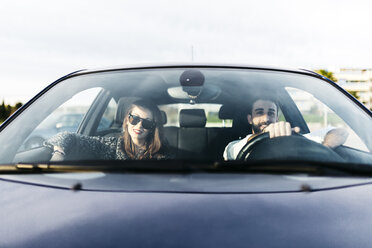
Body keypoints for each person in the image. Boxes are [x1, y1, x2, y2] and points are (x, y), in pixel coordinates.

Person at [223, 95, 349, 160]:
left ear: (277, 119)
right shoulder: (235, 146)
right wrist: (264, 135)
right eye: (260, 112)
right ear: (250, 119)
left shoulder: (295, 138)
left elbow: (340, 132)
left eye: (271, 113)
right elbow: (230, 152)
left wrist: (323, 150)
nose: (266, 119)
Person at [46, 99, 170, 161]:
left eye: (147, 122)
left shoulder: (164, 154)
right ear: (127, 120)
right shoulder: (111, 145)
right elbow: (67, 137)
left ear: (153, 127)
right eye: (135, 119)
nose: (139, 125)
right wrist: (59, 153)